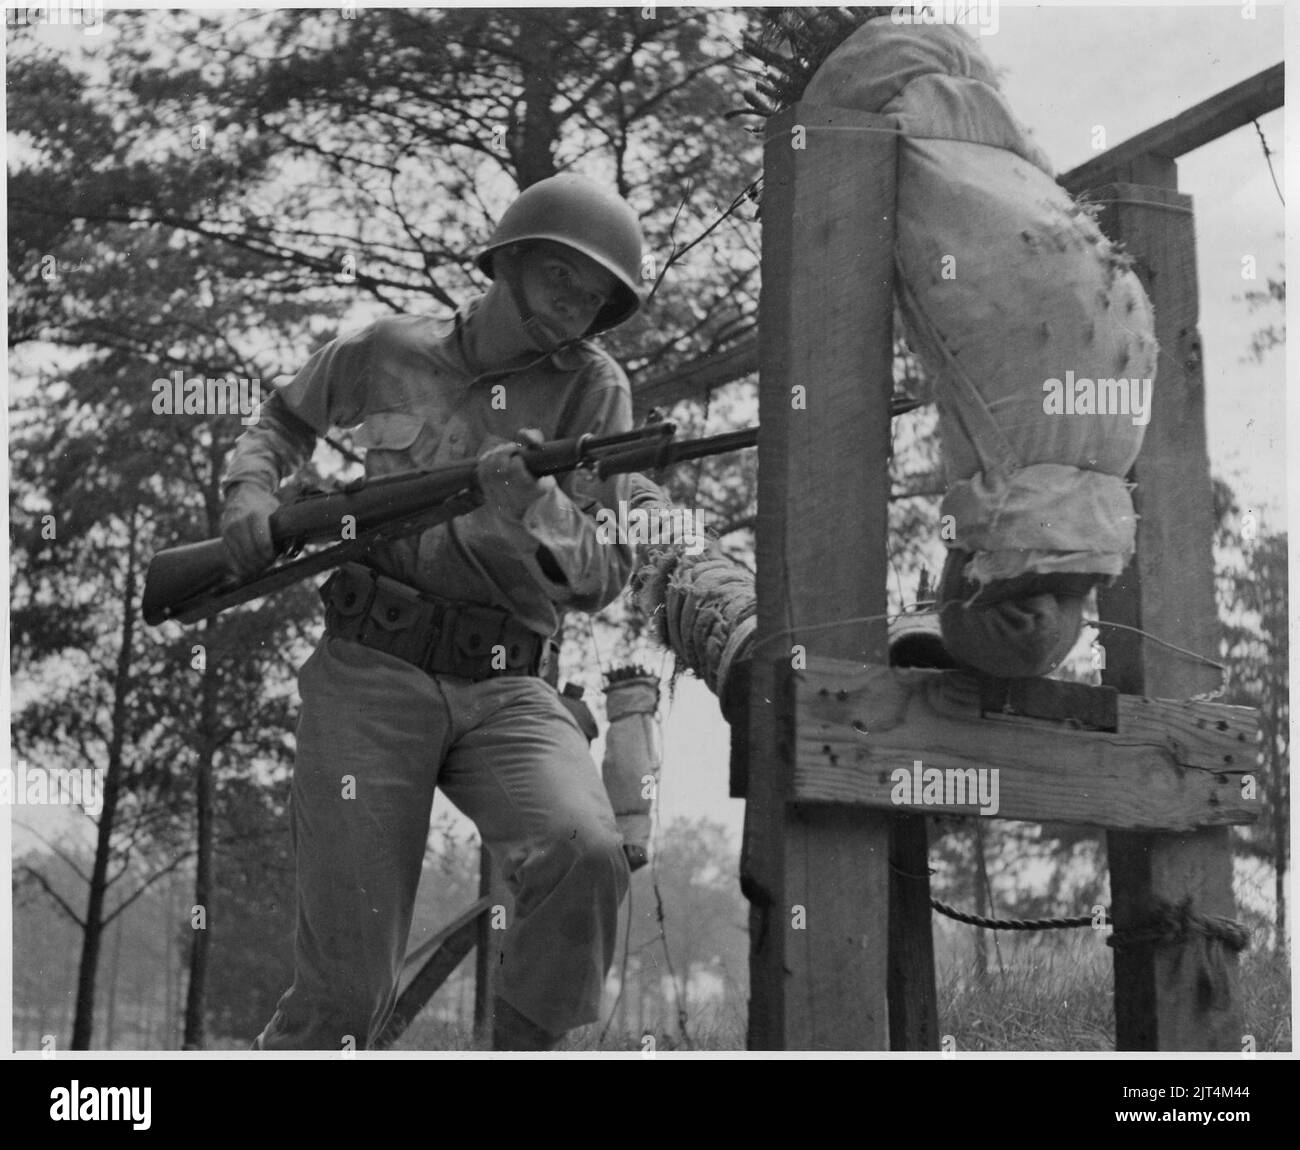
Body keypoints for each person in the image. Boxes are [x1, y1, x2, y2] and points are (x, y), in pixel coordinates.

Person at [220, 174, 644, 1051]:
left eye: (594, 295)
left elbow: (606, 572)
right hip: (371, 671)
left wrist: (539, 505)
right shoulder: (387, 350)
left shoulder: (596, 394)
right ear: (511, 259)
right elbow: (279, 420)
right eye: (563, 276)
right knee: (346, 992)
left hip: (510, 685)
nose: (575, 305)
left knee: (587, 852)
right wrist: (251, 493)